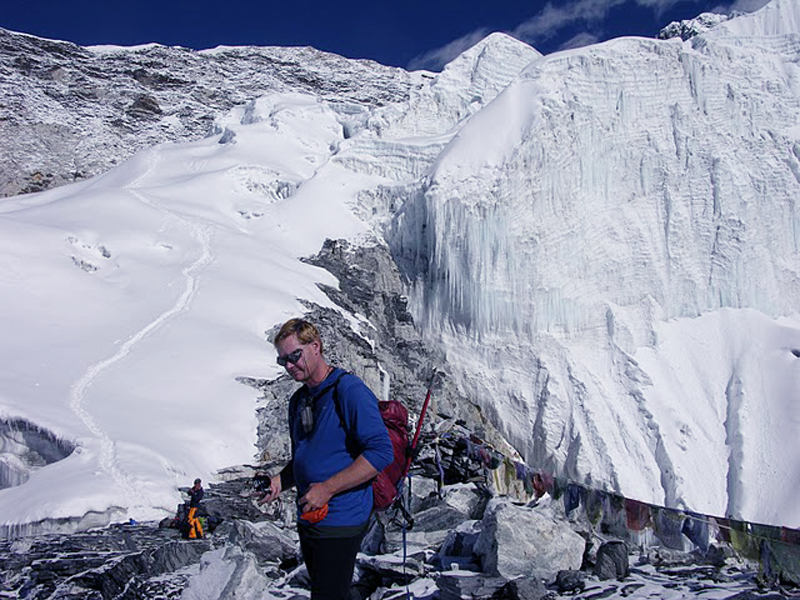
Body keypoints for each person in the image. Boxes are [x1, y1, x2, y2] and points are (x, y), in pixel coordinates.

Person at [260, 318, 393, 600]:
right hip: (310, 517)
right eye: (282, 360)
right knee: (326, 589)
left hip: (340, 518)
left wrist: (327, 488)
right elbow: (305, 457)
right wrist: (279, 482)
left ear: (316, 346)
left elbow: (381, 452)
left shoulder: (348, 390)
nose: (289, 365)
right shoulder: (300, 400)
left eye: (294, 355)